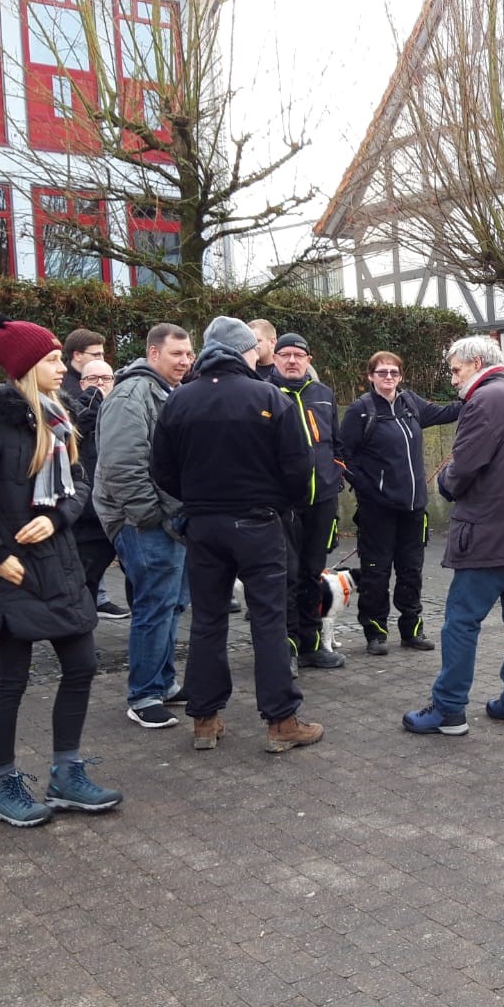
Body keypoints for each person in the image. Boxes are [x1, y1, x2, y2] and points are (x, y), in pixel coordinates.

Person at [0, 314, 122, 828]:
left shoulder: (59, 417)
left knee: (82, 666)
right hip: (14, 575)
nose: (63, 367)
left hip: (61, 567)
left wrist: (57, 517)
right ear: (26, 367)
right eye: (52, 360)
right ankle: (2, 787)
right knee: (11, 682)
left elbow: (79, 483)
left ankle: (66, 775)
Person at [152, 317, 324, 753]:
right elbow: (299, 466)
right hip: (257, 522)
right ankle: (281, 721)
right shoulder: (267, 396)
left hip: (203, 524)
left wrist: (198, 498)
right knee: (268, 620)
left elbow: (162, 470)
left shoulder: (179, 399)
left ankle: (205, 720)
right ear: (243, 351)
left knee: (208, 621)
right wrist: (283, 504)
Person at [402, 336, 504, 735]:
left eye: (455, 370)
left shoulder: (484, 400)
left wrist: (443, 482)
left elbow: (462, 469)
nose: (453, 379)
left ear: (477, 362)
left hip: (489, 534)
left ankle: (448, 709)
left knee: (460, 622)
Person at [93, 322, 194, 730]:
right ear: (153, 353)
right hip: (144, 522)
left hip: (167, 520)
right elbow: (121, 464)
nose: (185, 361)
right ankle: (144, 695)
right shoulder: (132, 394)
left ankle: (164, 682)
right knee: (154, 605)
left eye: (188, 354)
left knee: (170, 604)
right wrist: (150, 515)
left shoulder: (167, 392)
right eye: (176, 354)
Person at [336, 350, 461, 654]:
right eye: (382, 372)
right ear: (370, 376)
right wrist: (368, 488)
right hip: (377, 510)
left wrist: (477, 394)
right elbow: (341, 455)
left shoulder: (410, 404)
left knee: (411, 571)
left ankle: (411, 630)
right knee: (376, 572)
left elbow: (446, 412)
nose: (389, 377)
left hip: (413, 507)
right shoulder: (361, 410)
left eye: (394, 372)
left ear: (401, 376)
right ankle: (375, 633)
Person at [269, 331, 345, 669]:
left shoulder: (323, 394)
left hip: (322, 500)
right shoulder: (265, 394)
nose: (291, 360)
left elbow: (336, 443)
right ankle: (285, 650)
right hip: (284, 504)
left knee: (313, 573)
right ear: (274, 359)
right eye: (284, 355)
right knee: (286, 575)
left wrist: (336, 473)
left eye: (298, 355)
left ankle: (312, 645)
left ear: (308, 360)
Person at [68, 358, 126, 617]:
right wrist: (90, 401)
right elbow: (74, 432)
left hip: (119, 512)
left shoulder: (123, 411)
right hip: (87, 516)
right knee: (84, 579)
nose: (100, 384)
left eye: (106, 379)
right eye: (93, 379)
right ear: (82, 383)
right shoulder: (72, 410)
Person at [58, 327, 106, 402]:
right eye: (96, 355)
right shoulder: (66, 390)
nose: (102, 359)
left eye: (102, 354)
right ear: (77, 355)